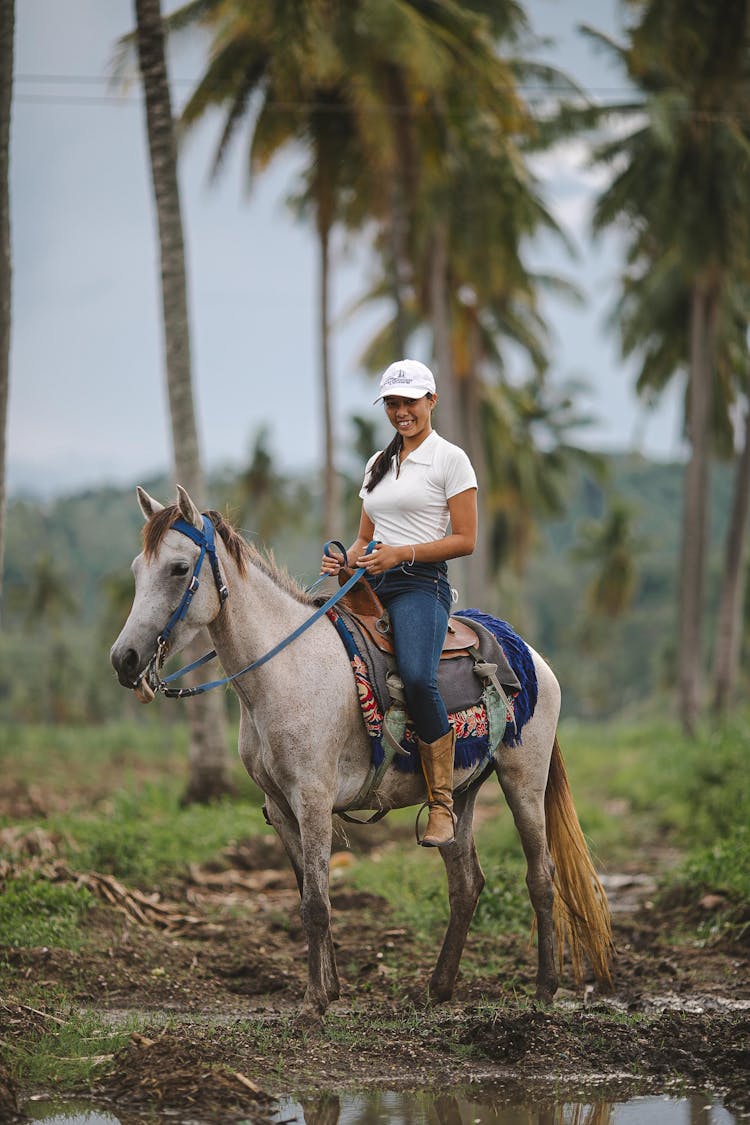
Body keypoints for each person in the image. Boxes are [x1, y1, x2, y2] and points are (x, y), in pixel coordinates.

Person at [321, 359, 478, 847]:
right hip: (371, 580)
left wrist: (401, 554)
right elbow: (365, 537)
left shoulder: (451, 460)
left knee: (415, 676)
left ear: (431, 401)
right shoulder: (376, 463)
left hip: (419, 583)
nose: (401, 412)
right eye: (392, 403)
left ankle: (442, 804)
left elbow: (466, 539)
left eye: (409, 402)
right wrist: (344, 559)